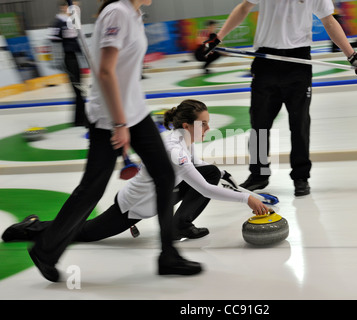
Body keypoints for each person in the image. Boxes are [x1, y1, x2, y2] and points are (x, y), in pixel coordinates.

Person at [28, 0, 201, 283]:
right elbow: (106, 71)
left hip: (135, 111)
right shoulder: (117, 13)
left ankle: (169, 255)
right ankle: (45, 249)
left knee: (165, 174)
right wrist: (119, 124)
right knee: (92, 188)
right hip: (110, 115)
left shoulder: (134, 13)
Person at [3, 100, 270, 248]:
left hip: (156, 198)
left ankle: (180, 225)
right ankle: (29, 228)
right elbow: (204, 188)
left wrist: (245, 190)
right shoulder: (173, 149)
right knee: (82, 233)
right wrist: (247, 200)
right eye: (205, 123)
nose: (209, 128)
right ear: (188, 125)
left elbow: (209, 172)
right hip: (130, 208)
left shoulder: (184, 140)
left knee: (211, 171)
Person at [203, 0, 357, 196]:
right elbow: (244, 8)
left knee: (299, 124)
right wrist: (218, 38)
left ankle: (301, 177)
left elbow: (329, 21)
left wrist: (352, 56)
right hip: (266, 61)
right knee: (259, 123)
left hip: (297, 63)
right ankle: (259, 175)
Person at [48, 0, 86, 127]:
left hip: (74, 57)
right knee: (77, 89)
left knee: (80, 88)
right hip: (68, 58)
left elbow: (76, 39)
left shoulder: (72, 20)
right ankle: (80, 119)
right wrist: (58, 59)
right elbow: (55, 42)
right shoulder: (58, 22)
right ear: (64, 7)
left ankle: (80, 118)